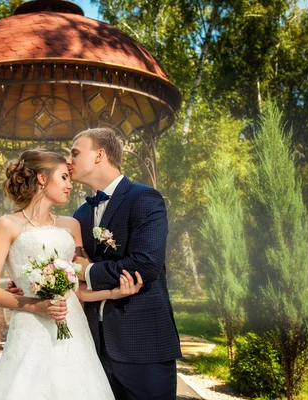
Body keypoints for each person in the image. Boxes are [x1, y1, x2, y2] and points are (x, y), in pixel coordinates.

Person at [0, 149, 143, 400]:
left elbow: (77, 290)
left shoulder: (71, 225)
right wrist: (35, 306)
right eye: (63, 177)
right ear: (42, 178)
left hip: (73, 328)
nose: (69, 185)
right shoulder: (7, 225)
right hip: (30, 327)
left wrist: (114, 292)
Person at [68, 127, 182, 399]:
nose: (68, 161)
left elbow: (146, 264)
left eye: (74, 153)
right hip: (94, 347)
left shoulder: (144, 198)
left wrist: (88, 272)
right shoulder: (81, 214)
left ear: (99, 155)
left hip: (144, 345)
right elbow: (68, 266)